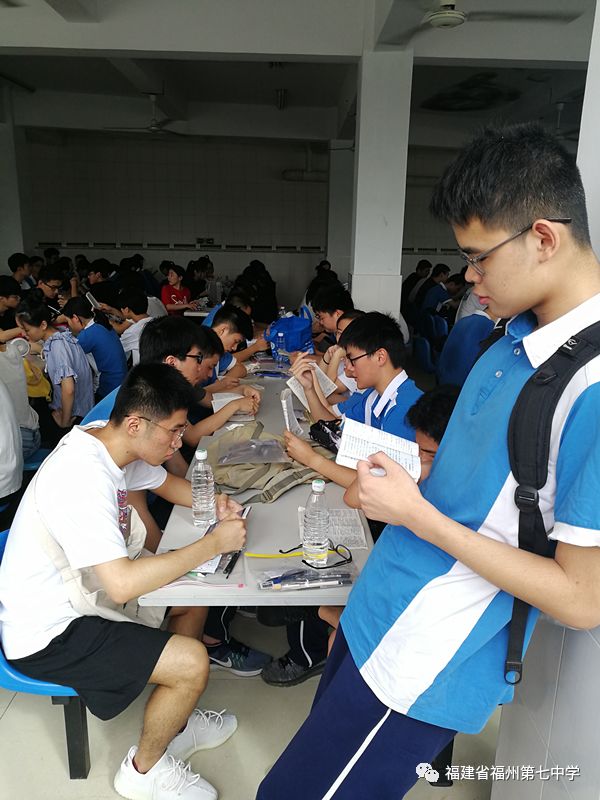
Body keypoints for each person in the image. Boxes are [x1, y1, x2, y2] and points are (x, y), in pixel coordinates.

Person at [258, 121, 600, 800]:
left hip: (423, 658)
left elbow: (582, 599)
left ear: (543, 237)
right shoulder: (513, 342)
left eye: (478, 257)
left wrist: (414, 513)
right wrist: (396, 487)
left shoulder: (590, 386)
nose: (468, 277)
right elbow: (468, 493)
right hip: (379, 612)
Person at [0, 364, 247, 800]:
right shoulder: (81, 476)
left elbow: (169, 486)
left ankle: (178, 723)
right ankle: (142, 772)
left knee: (195, 598)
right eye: (173, 432)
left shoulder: (109, 444)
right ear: (135, 424)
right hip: (49, 633)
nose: (178, 442)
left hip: (85, 593)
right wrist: (212, 545)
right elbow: (121, 585)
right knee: (192, 662)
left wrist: (220, 503)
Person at [284, 312, 422, 489]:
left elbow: (381, 485)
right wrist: (309, 388)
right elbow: (334, 426)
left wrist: (311, 459)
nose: (347, 370)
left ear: (380, 357)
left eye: (352, 360)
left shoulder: (405, 409)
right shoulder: (373, 394)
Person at [15, 293, 94, 443]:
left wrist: (64, 421)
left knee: (31, 425)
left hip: (74, 416)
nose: (23, 334)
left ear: (43, 325)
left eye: (27, 330)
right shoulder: (62, 335)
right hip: (84, 406)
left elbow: (68, 389)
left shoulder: (57, 347)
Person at [116, 288, 153, 365]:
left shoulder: (132, 332)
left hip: (143, 369)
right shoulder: (154, 320)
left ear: (126, 310)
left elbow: (117, 349)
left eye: (121, 309)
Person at [0, 276, 22, 343]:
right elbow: (1, 337)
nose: (19, 298)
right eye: (15, 297)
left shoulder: (11, 311)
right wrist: (27, 327)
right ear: (2, 298)